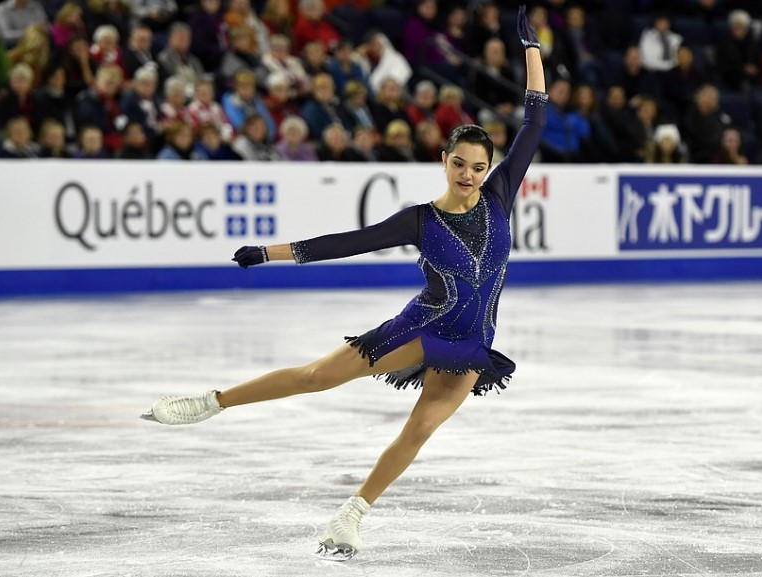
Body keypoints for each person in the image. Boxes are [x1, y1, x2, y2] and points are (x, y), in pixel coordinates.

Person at [141, 6, 547, 562]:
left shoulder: (500, 196)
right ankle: (212, 401)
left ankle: (351, 515)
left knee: (418, 431)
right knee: (317, 377)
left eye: (479, 167)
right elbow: (347, 242)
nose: (469, 176)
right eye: (459, 164)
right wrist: (269, 252)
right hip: (421, 325)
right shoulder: (421, 219)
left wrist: (532, 52)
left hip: (472, 341)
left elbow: (535, 122)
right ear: (443, 160)